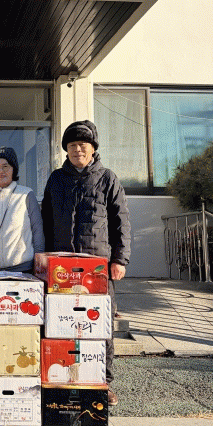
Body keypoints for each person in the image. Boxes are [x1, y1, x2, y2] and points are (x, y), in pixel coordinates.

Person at [41, 120, 130, 407]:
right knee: (60, 322)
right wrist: (43, 259)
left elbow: (121, 222)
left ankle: (103, 382)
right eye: (72, 145)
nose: (77, 149)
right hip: (62, 266)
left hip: (97, 266)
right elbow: (45, 220)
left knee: (100, 326)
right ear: (66, 149)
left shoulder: (107, 178)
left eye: (83, 145)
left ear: (93, 149)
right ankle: (62, 379)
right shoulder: (56, 178)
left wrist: (120, 259)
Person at [0, 147, 45, 273]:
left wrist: (38, 261)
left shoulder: (26, 194)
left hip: (23, 267)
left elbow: (37, 230)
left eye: (5, 166)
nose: (1, 171)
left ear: (13, 169)